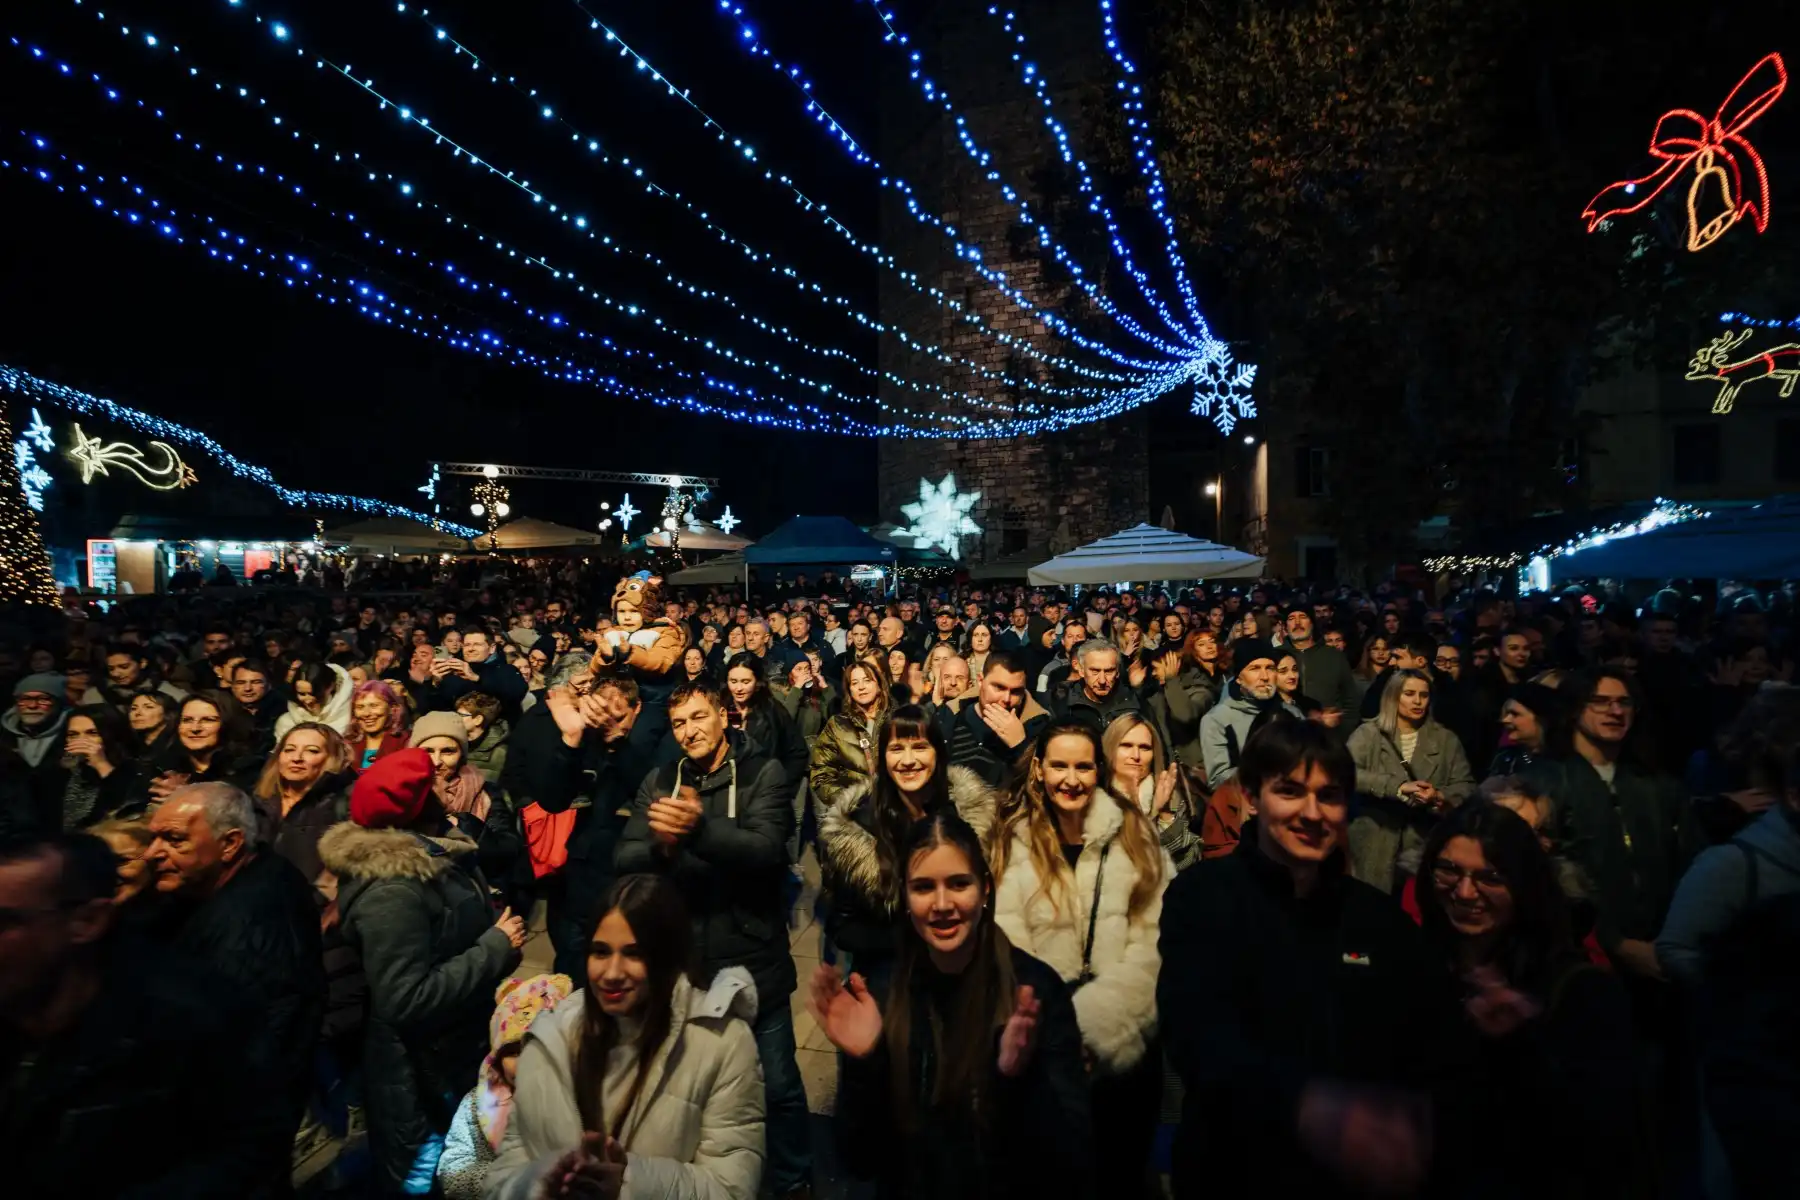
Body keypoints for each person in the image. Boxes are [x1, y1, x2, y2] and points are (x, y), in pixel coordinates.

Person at [1159, 719, 1437, 1199]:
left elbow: (1418, 1046)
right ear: (1250, 795)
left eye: (1328, 796)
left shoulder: (1378, 920)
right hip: (1232, 1170)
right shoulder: (1202, 897)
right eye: (1289, 791)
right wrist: (1309, 1107)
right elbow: (1197, 1035)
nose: (1312, 813)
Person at [811, 809, 1095, 1200]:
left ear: (986, 889)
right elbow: (859, 1159)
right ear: (905, 897)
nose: (942, 904)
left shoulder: (1032, 991)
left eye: (959, 883)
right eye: (924, 887)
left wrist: (1018, 1080)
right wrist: (867, 1065)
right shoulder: (881, 990)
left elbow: (1071, 1159)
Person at [0, 832, 284, 1197]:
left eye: (6, 922)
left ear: (87, 921)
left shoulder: (192, 1015)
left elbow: (252, 1148)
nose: (155, 854)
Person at [614, 679, 809, 1198]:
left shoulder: (763, 772)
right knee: (695, 1087)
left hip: (750, 952)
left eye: (699, 717)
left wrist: (697, 832)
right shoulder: (662, 779)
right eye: (679, 723)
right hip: (685, 963)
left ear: (724, 716)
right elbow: (624, 858)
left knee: (780, 1084)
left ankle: (794, 1179)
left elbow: (768, 849)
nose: (689, 731)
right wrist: (662, 844)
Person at [317, 748, 527, 1193]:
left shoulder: (434, 852)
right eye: (431, 780)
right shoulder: (394, 890)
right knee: (424, 1178)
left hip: (449, 1051)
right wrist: (495, 947)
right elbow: (405, 997)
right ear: (415, 805)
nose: (442, 782)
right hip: (415, 1075)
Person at [484, 874, 768, 1200]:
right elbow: (503, 1177)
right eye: (601, 952)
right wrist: (541, 1183)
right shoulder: (552, 1037)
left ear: (667, 957)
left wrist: (628, 1182)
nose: (613, 973)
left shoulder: (724, 1045)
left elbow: (731, 1189)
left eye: (634, 953)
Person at [1418, 803, 1642, 1198]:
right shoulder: (1417, 963)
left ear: (1524, 885)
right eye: (1450, 870)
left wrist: (1518, 1045)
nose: (1465, 892)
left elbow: (1605, 1136)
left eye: (1490, 877)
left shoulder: (1579, 989)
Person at [991, 721, 1172, 1192]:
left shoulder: (1135, 835)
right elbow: (1007, 945)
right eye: (1059, 765)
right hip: (1043, 1049)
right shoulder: (1014, 840)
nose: (1071, 779)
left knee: (1118, 1175)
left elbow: (1155, 946)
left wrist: (1092, 1031)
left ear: (1099, 770)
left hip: (1120, 1052)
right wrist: (1056, 1035)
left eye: (1083, 766)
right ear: (1038, 769)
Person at [144, 782, 326, 1189]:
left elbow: (230, 1050)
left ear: (229, 845)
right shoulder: (258, 871)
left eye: (174, 840)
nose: (151, 854)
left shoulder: (247, 926)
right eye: (152, 837)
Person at [1523, 667, 1691, 982]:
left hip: (1664, 945)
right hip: (1582, 956)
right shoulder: (1546, 782)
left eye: (1624, 702)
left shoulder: (1656, 784)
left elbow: (1689, 859)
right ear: (1574, 709)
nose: (1615, 711)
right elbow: (1542, 875)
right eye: (1600, 701)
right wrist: (1612, 941)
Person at [818, 705, 1000, 987]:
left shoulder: (966, 817)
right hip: (891, 984)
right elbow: (841, 928)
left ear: (937, 752)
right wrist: (914, 935)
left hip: (962, 980)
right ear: (882, 758)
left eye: (919, 747)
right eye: (896, 749)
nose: (908, 760)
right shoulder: (859, 827)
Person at [434, 972, 578, 1200]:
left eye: (537, 1048)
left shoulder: (581, 1101)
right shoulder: (478, 1103)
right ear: (497, 1058)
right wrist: (505, 1178)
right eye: (513, 1052)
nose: (526, 1063)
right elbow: (452, 1170)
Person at [1345, 668, 1477, 894]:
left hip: (1423, 840)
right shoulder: (1369, 734)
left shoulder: (1445, 740)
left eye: (1423, 695)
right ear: (1393, 696)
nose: (1417, 701)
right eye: (1409, 694)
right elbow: (1346, 772)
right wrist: (1396, 787)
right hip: (1373, 841)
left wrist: (1439, 796)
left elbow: (1466, 786)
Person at [411, 710, 525, 902]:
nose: (437, 762)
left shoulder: (486, 792)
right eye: (428, 751)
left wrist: (463, 825)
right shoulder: (403, 794)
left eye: (448, 751)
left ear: (462, 754)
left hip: (474, 895)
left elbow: (507, 849)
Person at [934, 650, 1049, 790]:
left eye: (1015, 692)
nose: (1006, 699)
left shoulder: (1036, 725)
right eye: (999, 687)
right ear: (981, 681)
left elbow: (1042, 787)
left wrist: (1021, 747)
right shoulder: (952, 716)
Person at [1103, 711, 1200, 870]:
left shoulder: (1169, 797)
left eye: (1145, 748)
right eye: (1126, 745)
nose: (1136, 756)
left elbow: (1188, 863)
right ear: (1110, 748)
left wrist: (1163, 814)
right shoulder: (1094, 798)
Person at [1199, 638, 1299, 788]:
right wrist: (1267, 768)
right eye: (1255, 669)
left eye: (1270, 668)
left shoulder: (1292, 713)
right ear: (1239, 678)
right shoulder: (1217, 719)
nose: (1265, 677)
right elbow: (1218, 780)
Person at [135, 690, 261, 809]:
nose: (195, 728)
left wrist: (190, 797)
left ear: (228, 724)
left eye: (208, 720)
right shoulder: (158, 767)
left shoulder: (250, 769)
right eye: (187, 720)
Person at [725, 652, 809, 799]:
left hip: (765, 798)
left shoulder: (772, 711)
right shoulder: (722, 709)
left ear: (757, 683)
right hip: (729, 797)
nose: (738, 688)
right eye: (733, 681)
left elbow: (797, 752)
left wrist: (780, 786)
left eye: (745, 682)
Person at [811, 657, 892, 806]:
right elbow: (821, 775)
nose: (861, 687)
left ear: (879, 685)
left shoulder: (897, 720)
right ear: (849, 690)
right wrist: (849, 801)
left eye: (867, 680)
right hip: (854, 818)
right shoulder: (837, 725)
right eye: (855, 683)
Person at [1148, 628, 1224, 769]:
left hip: (1196, 766)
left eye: (1157, 668)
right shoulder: (1161, 692)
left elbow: (1185, 714)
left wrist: (1171, 680)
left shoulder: (1197, 688)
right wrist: (1138, 687)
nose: (1153, 673)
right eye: (1201, 644)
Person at [1, 673, 69, 823]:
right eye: (25, 699)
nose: (32, 706)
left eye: (43, 699)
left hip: (60, 825)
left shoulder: (74, 734)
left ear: (59, 703)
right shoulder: (3, 738)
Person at [1284, 606, 1358, 736]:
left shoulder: (1334, 656)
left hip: (1330, 737)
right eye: (1291, 618)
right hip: (1288, 737)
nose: (1297, 623)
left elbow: (1350, 699)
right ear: (1285, 626)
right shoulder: (1277, 655)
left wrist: (1343, 732)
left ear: (1312, 623)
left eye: (1302, 617)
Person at [1052, 638, 1142, 728]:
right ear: (1081, 671)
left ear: (1118, 672)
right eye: (1095, 671)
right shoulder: (1063, 702)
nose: (1102, 681)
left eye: (1109, 671)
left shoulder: (1134, 702)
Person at [1487, 681, 1562, 778]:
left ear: (1540, 718)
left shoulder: (1563, 765)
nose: (1505, 720)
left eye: (1515, 714)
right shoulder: (1504, 758)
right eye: (1506, 714)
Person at [275, 661, 355, 740]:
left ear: (331, 686)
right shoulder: (286, 723)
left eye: (314, 694)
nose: (308, 701)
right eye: (302, 694)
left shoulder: (352, 720)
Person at [345, 677, 410, 772]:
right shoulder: (347, 745)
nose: (366, 713)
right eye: (360, 707)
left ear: (392, 709)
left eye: (374, 706)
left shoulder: (405, 742)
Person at [457, 691, 511, 786]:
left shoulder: (500, 753)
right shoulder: (455, 745)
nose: (456, 719)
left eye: (461, 715)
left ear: (478, 720)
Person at [230, 658, 282, 755]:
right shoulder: (224, 713)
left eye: (256, 682)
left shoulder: (282, 713)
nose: (248, 688)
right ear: (233, 687)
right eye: (241, 683)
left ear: (269, 685)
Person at [127, 689, 179, 762]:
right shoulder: (130, 746)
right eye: (133, 708)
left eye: (148, 707)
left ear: (167, 713)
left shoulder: (179, 744)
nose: (138, 713)